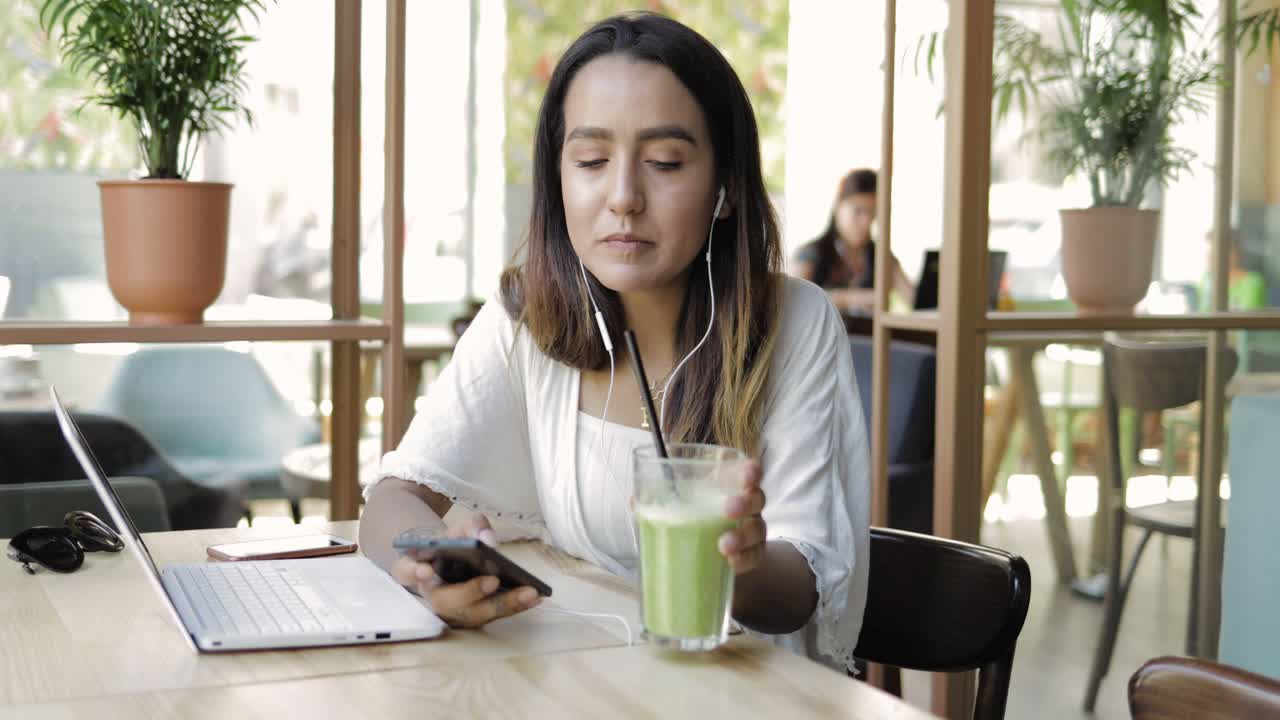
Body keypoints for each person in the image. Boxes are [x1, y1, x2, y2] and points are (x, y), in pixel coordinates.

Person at [359, 12, 869, 673]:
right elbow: (392, 501)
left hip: (744, 691)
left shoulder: (793, 323)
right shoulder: (527, 317)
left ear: (727, 187)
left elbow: (796, 594)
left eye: (664, 162)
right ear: (559, 178)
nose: (623, 197)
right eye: (592, 160)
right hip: (590, 678)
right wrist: (423, 565)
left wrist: (739, 561)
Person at [791, 168, 914, 313]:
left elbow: (916, 299)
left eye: (873, 213)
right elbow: (793, 303)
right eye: (858, 211)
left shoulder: (881, 257)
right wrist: (848, 298)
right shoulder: (810, 254)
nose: (866, 222)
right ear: (838, 206)